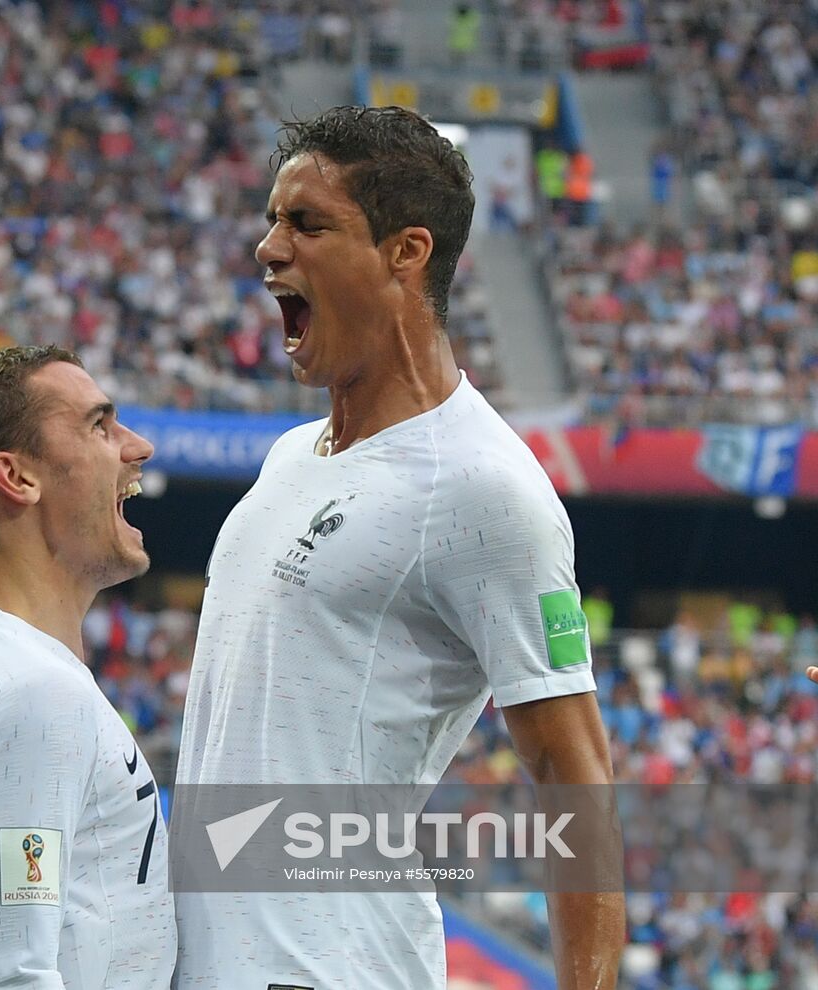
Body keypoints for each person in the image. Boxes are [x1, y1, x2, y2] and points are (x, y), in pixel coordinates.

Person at [172, 106, 624, 989]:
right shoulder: (288, 457)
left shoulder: (483, 488)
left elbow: (576, 774)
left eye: (306, 223)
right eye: (271, 220)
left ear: (404, 253)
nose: (267, 248)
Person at [0, 345, 175, 988]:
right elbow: (8, 978)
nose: (138, 447)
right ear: (18, 478)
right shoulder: (29, 694)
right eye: (99, 425)